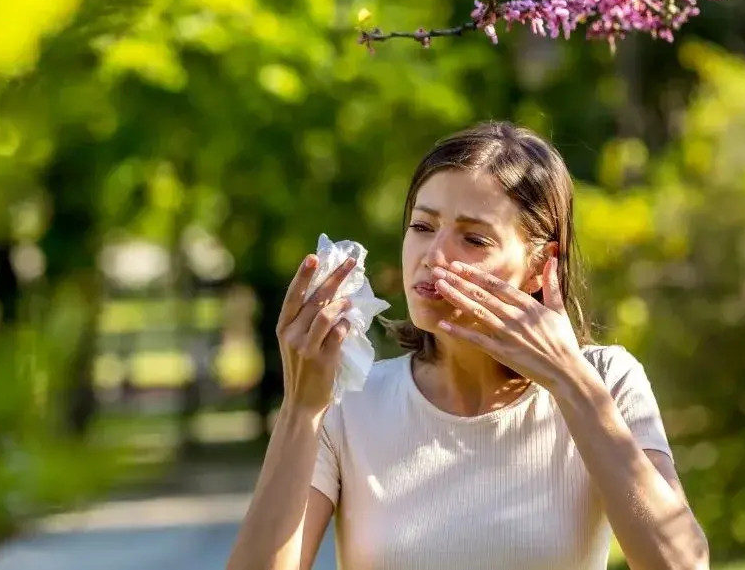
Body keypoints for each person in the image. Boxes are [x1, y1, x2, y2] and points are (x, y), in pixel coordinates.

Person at [227, 121, 709, 570]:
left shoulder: (607, 381)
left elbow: (683, 564)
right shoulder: (350, 403)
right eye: (421, 227)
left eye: (474, 239)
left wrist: (571, 381)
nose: (432, 257)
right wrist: (300, 409)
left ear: (542, 265)